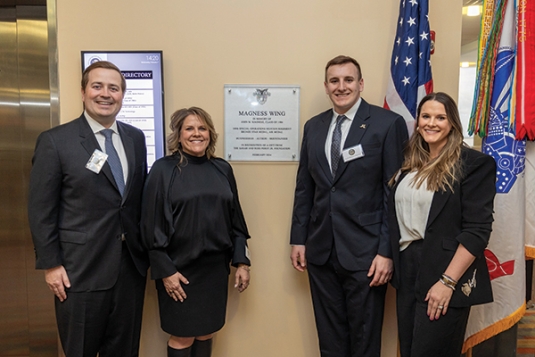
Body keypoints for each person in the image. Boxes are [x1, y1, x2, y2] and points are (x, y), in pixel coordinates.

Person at [290, 55, 409, 357]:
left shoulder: (386, 124)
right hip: (321, 250)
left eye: (348, 80)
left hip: (367, 253)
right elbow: (305, 188)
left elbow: (393, 193)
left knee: (364, 337)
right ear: (326, 86)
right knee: (329, 337)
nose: (341, 86)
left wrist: (386, 251)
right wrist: (298, 239)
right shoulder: (314, 127)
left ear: (360, 84)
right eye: (334, 81)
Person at [28, 61, 149, 356]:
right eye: (97, 86)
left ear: (123, 94)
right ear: (83, 92)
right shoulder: (56, 141)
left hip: (129, 270)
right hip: (78, 271)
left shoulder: (135, 139)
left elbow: (135, 202)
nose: (105, 94)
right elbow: (41, 208)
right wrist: (51, 265)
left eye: (114, 88)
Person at [388, 92, 496, 357]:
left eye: (440, 117)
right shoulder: (410, 165)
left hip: (446, 271)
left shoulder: (474, 164)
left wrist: (447, 282)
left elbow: (477, 231)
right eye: (426, 116)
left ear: (452, 124)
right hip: (408, 271)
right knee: (411, 350)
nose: (431, 123)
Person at [141, 107, 251, 357]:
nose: (196, 134)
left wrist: (242, 262)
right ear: (178, 135)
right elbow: (150, 224)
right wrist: (166, 271)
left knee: (206, 331)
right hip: (179, 271)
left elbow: (236, 220)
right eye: (189, 128)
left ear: (210, 134)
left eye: (202, 128)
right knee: (182, 336)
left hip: (214, 270)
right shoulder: (163, 170)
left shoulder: (222, 169)